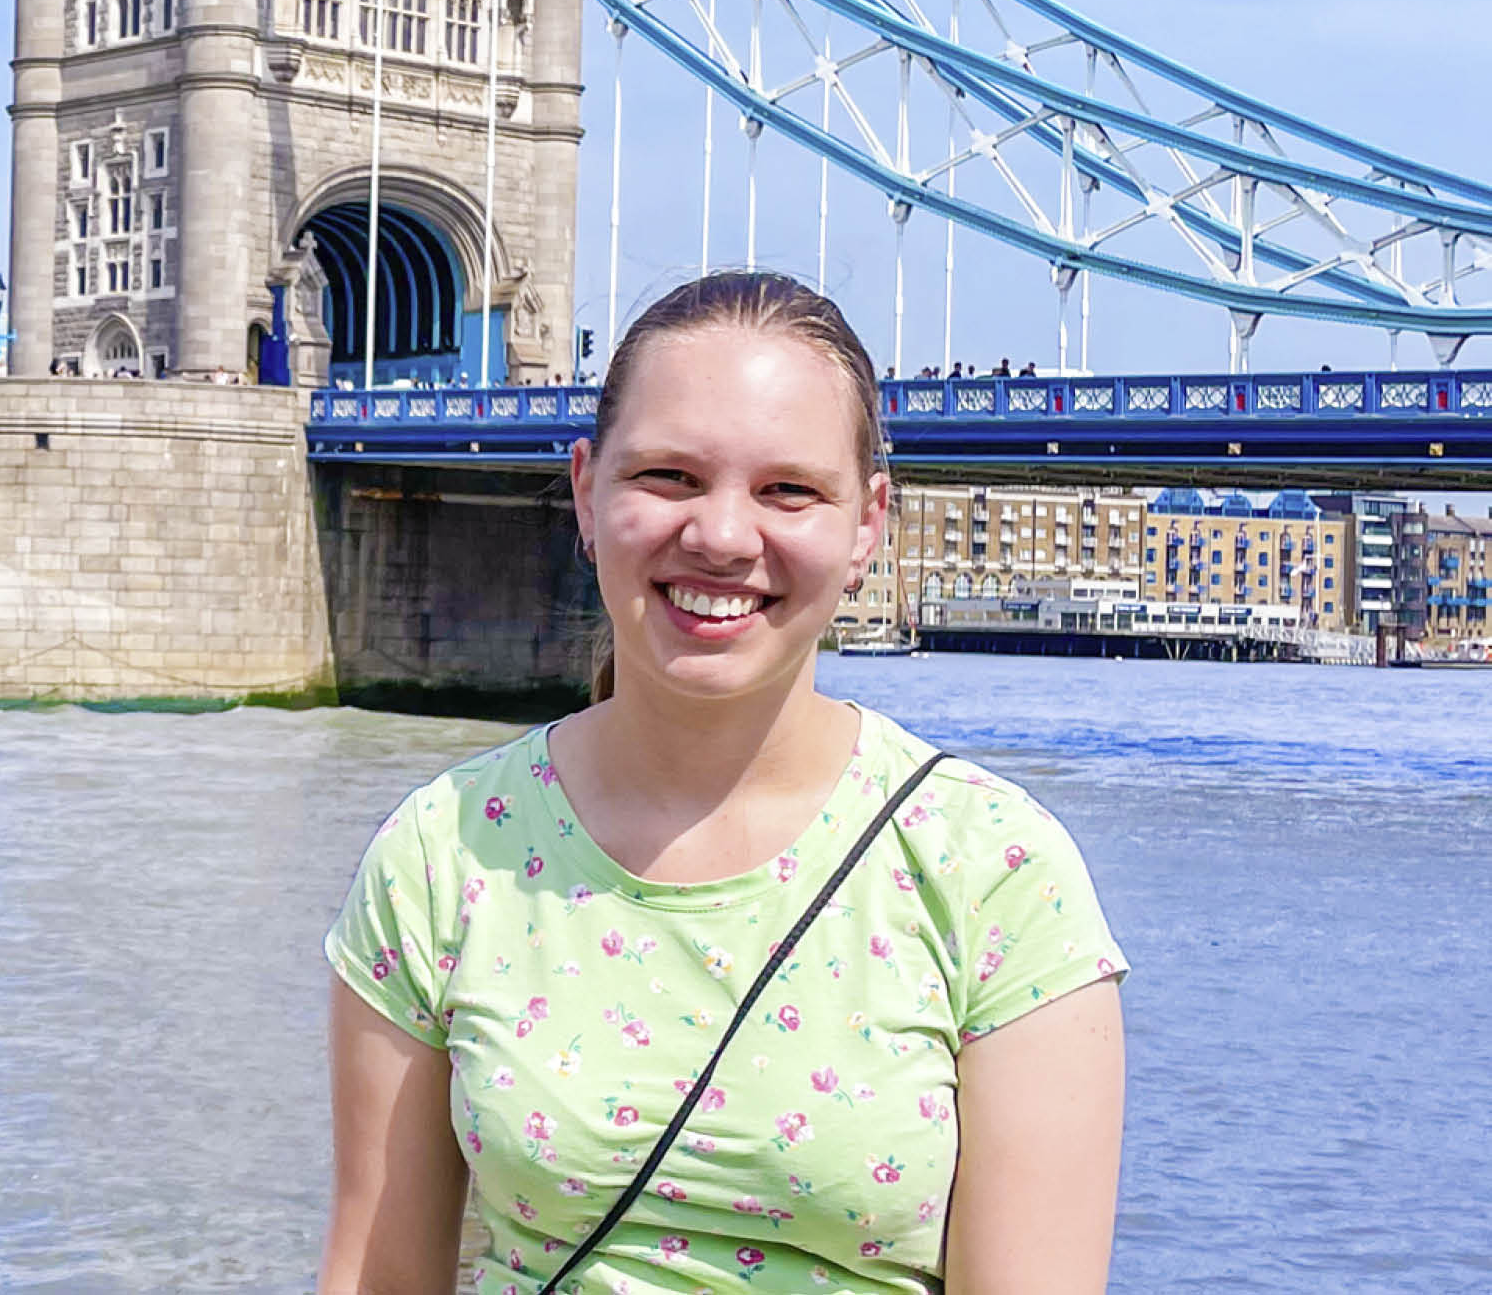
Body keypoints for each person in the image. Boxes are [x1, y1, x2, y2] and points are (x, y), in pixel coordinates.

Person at [321, 271, 1128, 1295]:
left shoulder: (994, 873)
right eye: (665, 477)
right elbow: (375, 1273)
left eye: (786, 490)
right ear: (582, 489)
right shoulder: (442, 852)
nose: (719, 535)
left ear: (867, 524)